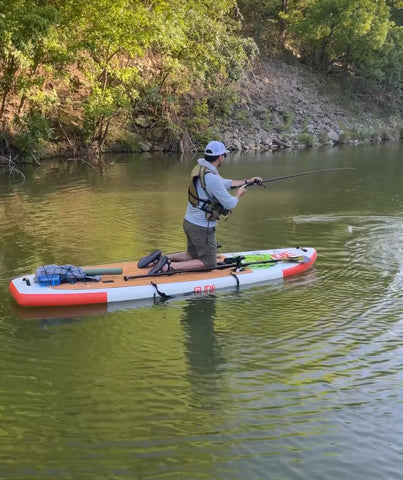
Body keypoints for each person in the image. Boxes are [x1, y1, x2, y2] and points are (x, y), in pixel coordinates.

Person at [138, 140, 262, 273]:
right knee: (209, 262)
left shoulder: (201, 169)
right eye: (224, 156)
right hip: (202, 228)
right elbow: (230, 203)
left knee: (192, 255)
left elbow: (225, 183)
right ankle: (169, 267)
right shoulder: (212, 177)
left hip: (189, 222)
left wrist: (248, 181)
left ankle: (160, 258)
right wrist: (238, 194)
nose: (224, 159)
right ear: (220, 157)